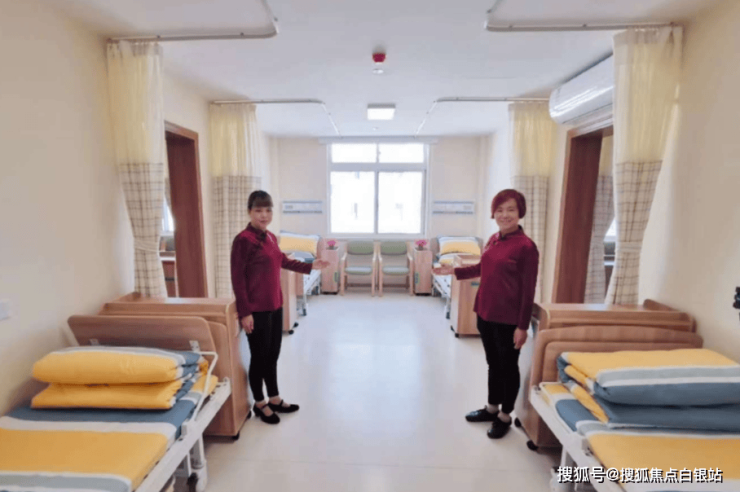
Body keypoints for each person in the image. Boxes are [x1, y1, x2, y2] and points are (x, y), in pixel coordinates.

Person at [433, 189, 538, 439]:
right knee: (493, 363)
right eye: (500, 210)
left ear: (520, 212)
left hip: (508, 319)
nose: (505, 215)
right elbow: (483, 267)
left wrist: (522, 326)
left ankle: (505, 415)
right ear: (494, 213)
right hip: (485, 312)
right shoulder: (494, 239)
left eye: (511, 209)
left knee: (508, 367)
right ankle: (491, 408)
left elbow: (528, 289)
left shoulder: (526, 247)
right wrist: (454, 272)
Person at [230, 190, 328, 424]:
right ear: (249, 212)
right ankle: (260, 403)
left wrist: (311, 265)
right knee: (259, 357)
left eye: (268, 210)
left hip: (275, 305)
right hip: (257, 309)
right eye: (258, 210)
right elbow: (237, 278)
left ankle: (274, 398)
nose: (264, 215)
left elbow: (282, 261)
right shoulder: (243, 240)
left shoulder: (271, 237)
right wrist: (245, 312)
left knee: (272, 355)